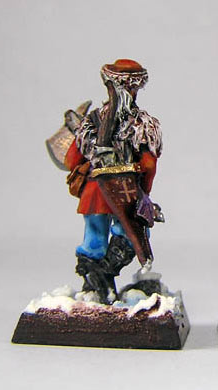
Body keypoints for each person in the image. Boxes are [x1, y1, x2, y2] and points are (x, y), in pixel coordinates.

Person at [63, 59, 163, 303]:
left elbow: (71, 159)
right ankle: (102, 279)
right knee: (127, 235)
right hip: (127, 193)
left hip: (95, 192)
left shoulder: (91, 122)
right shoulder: (144, 124)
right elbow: (149, 165)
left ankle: (96, 280)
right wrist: (143, 194)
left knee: (95, 239)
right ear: (135, 89)